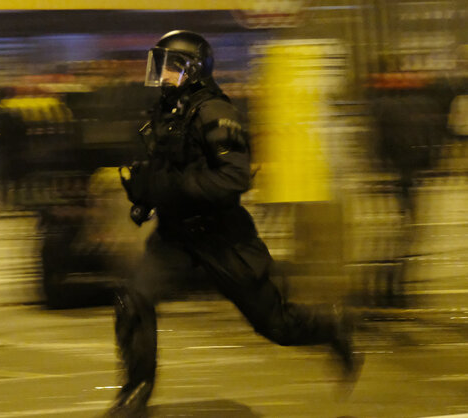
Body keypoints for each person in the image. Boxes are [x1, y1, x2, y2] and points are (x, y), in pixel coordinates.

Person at [110, 30, 362, 416]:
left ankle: (331, 329)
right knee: (134, 298)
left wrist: (169, 188)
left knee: (275, 325)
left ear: (193, 70)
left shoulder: (215, 112)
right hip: (176, 236)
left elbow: (232, 179)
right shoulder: (168, 109)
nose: (161, 77)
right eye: (160, 68)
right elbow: (168, 168)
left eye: (171, 68)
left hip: (222, 237)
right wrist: (144, 193)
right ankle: (135, 392)